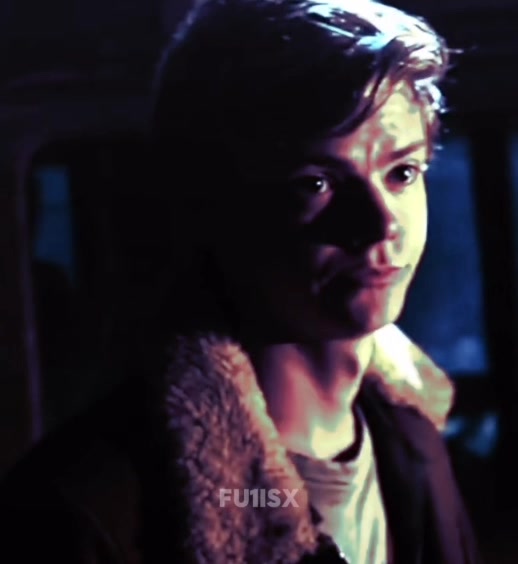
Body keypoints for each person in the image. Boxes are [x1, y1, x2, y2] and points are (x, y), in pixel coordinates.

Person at [0, 0, 482, 562]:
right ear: (210, 204)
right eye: (316, 183)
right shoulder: (89, 509)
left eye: (402, 173)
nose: (380, 224)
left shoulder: (414, 437)